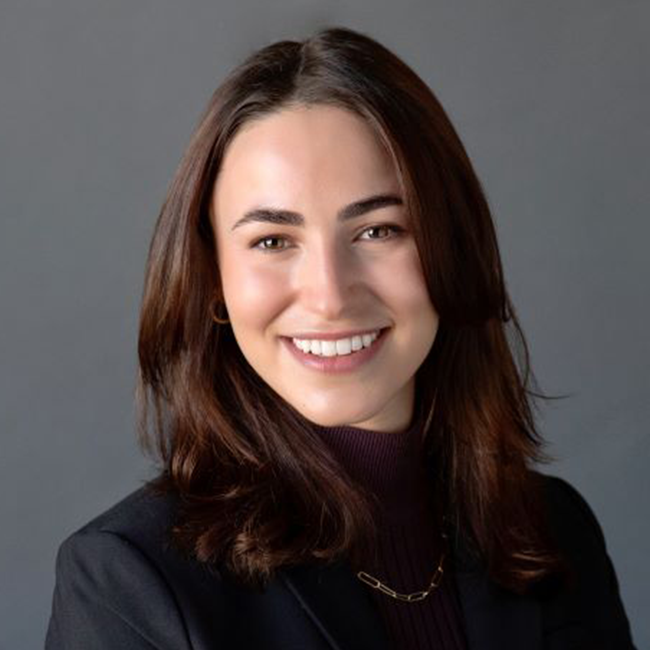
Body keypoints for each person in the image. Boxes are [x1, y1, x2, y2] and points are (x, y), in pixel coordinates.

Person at [45, 26, 636, 649]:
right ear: (213, 280)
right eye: (273, 241)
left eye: (378, 231)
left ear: (452, 248)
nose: (329, 295)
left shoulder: (553, 530)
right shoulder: (127, 582)